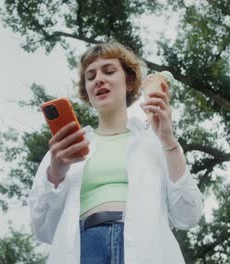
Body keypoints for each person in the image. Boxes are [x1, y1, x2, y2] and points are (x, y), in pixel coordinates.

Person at [29, 40, 203, 264]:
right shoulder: (65, 148)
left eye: (109, 71)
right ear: (87, 91)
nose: (98, 79)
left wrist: (169, 142)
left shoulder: (153, 141)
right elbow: (42, 229)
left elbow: (188, 215)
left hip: (144, 250)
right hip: (84, 249)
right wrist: (55, 174)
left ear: (129, 82)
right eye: (90, 77)